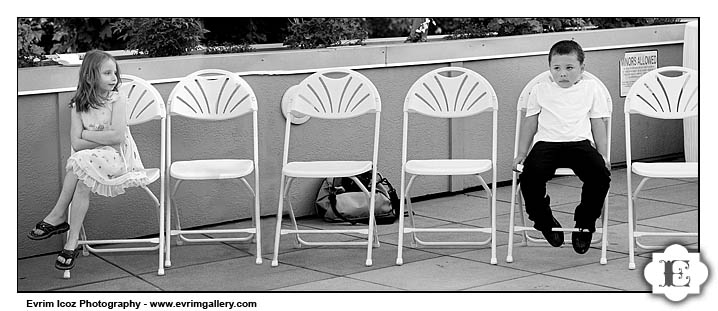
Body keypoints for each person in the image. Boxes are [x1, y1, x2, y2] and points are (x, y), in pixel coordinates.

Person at [27, 50, 150, 270]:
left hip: (119, 160)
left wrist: (87, 135)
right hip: (90, 161)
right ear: (91, 76)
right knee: (82, 177)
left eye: (115, 73)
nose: (114, 78)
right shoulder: (78, 106)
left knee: (78, 162)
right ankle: (72, 242)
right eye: (107, 73)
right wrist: (98, 138)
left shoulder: (117, 100)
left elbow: (118, 138)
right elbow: (77, 143)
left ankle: (57, 215)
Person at [512, 40, 611, 254]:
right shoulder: (541, 90)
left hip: (579, 144)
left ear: (581, 69)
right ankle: (545, 221)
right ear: (549, 69)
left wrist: (603, 154)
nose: (562, 74)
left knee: (600, 176)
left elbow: (597, 122)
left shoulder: (591, 89)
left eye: (569, 68)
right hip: (547, 144)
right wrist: (521, 153)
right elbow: (530, 122)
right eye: (556, 68)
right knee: (529, 177)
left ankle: (584, 225)